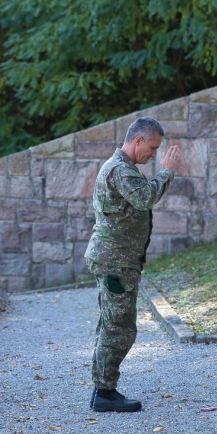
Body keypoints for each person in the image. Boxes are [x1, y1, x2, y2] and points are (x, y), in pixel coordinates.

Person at [84, 116, 182, 413]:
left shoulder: (122, 168)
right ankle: (104, 392)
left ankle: (104, 387)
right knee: (120, 328)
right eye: (152, 148)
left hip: (117, 261)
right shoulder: (120, 170)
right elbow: (144, 198)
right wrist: (167, 172)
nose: (153, 154)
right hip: (115, 264)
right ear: (137, 140)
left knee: (112, 324)